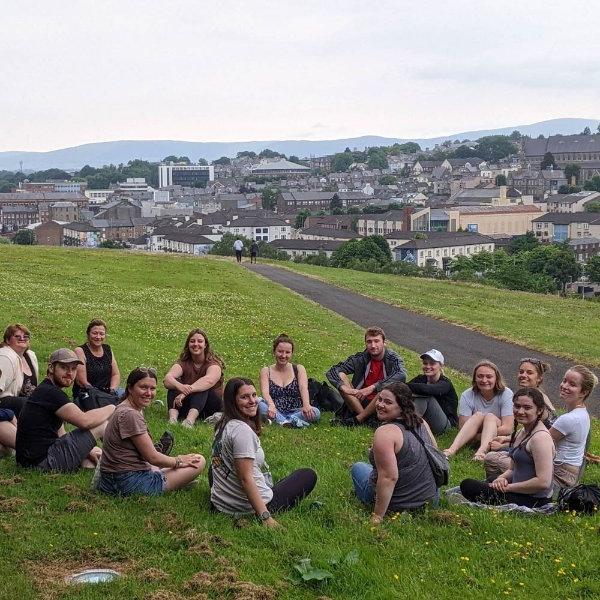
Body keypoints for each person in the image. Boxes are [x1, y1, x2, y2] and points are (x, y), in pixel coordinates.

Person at [210, 377, 317, 525]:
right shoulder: (242, 432)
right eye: (244, 397)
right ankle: (257, 509)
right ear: (232, 401)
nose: (253, 401)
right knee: (307, 475)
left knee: (215, 466)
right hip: (246, 508)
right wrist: (266, 517)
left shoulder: (223, 424)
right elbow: (245, 479)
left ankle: (227, 499)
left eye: (254, 395)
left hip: (221, 503)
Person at [95, 368, 205, 496]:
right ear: (130, 388)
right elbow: (153, 458)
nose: (148, 393)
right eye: (143, 387)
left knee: (169, 464)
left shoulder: (123, 407)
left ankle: (176, 481)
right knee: (199, 460)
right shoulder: (130, 415)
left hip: (113, 479)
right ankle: (174, 483)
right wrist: (179, 461)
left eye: (152, 389)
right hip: (126, 483)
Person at [15, 348, 114, 472]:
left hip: (32, 460)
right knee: (103, 425)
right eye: (64, 367)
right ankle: (125, 463)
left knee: (91, 460)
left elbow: (60, 433)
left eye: (73, 369)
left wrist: (88, 449)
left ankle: (114, 463)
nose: (70, 373)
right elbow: (85, 421)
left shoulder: (46, 389)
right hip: (42, 461)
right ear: (51, 368)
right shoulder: (51, 393)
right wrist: (112, 407)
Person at [350, 383, 438, 522]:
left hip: (399, 504)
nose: (380, 405)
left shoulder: (385, 433)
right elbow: (434, 453)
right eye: (379, 399)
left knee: (358, 467)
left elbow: (389, 478)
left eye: (388, 402)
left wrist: (377, 516)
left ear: (402, 406)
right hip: (431, 499)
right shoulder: (421, 422)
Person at [460, 387, 555, 507]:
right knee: (486, 482)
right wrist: (502, 478)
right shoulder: (522, 432)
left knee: (468, 485)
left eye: (527, 408)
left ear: (540, 410)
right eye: (517, 406)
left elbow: (543, 482)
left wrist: (508, 488)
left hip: (533, 500)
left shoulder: (540, 438)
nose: (520, 411)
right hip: (517, 489)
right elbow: (512, 469)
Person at [484, 358, 555, 479]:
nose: (523, 375)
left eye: (529, 373)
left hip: (542, 460)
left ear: (539, 378)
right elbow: (528, 433)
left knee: (492, 458)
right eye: (521, 372)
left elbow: (539, 439)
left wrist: (503, 446)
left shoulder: (538, 401)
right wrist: (507, 439)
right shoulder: (531, 396)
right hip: (533, 450)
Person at [327, 326, 406, 426]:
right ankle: (366, 419)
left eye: (376, 341)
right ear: (365, 343)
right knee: (341, 375)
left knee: (386, 387)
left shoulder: (393, 358)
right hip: (359, 401)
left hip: (381, 402)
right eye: (369, 342)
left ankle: (358, 419)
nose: (373, 345)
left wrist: (373, 387)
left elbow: (401, 374)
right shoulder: (361, 358)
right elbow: (332, 371)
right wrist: (345, 389)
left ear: (384, 343)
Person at [443, 360, 513, 461]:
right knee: (478, 415)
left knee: (490, 417)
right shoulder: (467, 395)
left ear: (496, 378)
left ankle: (481, 452)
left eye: (489, 376)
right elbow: (463, 427)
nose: (484, 380)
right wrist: (484, 434)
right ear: (475, 378)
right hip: (475, 432)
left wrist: (484, 434)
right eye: (480, 376)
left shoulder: (506, 393)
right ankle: (451, 450)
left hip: (497, 437)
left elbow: (508, 428)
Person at [164, 328, 224, 427]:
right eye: (192, 341)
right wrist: (179, 386)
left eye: (200, 341)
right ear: (188, 345)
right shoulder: (183, 363)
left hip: (209, 407)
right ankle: (173, 419)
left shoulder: (214, 364)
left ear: (205, 345)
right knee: (173, 385)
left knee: (202, 387)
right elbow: (167, 379)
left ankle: (189, 422)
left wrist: (185, 392)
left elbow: (209, 380)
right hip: (187, 404)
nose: (196, 344)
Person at [549, 365, 597, 490]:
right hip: (571, 475)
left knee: (495, 459)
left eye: (572, 384)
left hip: (559, 477)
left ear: (584, 392)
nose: (564, 386)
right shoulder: (582, 413)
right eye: (564, 380)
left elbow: (536, 443)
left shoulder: (569, 419)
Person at [258, 334, 320, 428]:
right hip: (274, 409)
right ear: (274, 352)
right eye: (280, 351)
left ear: (291, 353)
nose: (283, 355)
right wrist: (271, 405)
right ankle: (289, 422)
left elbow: (304, 389)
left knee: (316, 412)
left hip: (296, 410)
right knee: (258, 404)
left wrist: (306, 405)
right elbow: (265, 392)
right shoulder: (266, 371)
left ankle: (282, 421)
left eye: (287, 352)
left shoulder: (299, 369)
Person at [407, 349, 458, 435]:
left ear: (441, 366)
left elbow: (428, 390)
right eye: (425, 363)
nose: (427, 366)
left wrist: (403, 385)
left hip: (445, 425)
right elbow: (405, 388)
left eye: (432, 363)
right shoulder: (421, 378)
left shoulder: (445, 383)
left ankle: (407, 426)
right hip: (426, 419)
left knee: (426, 397)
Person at [72, 319, 122, 401]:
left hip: (108, 392)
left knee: (131, 398)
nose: (98, 337)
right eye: (95, 333)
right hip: (87, 394)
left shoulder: (107, 349)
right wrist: (100, 396)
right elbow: (82, 381)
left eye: (101, 334)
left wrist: (112, 390)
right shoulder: (80, 351)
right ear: (88, 334)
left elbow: (115, 375)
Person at [0, 323, 39, 417]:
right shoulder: (5, 357)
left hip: (26, 402)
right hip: (5, 401)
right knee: (30, 403)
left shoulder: (31, 356)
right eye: (17, 336)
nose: (22, 339)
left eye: (26, 336)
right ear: (8, 340)